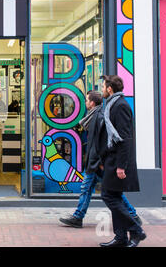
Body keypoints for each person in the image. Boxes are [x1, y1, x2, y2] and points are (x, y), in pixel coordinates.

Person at [59, 90, 141, 228]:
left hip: (96, 162)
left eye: (86, 100)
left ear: (92, 103)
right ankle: (131, 214)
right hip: (95, 162)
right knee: (103, 190)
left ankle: (131, 215)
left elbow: (101, 142)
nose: (85, 103)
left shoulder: (98, 116)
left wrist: (100, 161)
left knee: (97, 190)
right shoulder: (93, 116)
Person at [99, 75, 146, 247]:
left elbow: (125, 138)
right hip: (111, 159)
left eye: (103, 86)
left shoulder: (120, 106)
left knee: (108, 195)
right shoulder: (112, 105)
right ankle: (120, 238)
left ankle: (136, 230)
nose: (102, 89)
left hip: (118, 161)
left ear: (110, 89)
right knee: (114, 196)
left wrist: (121, 166)